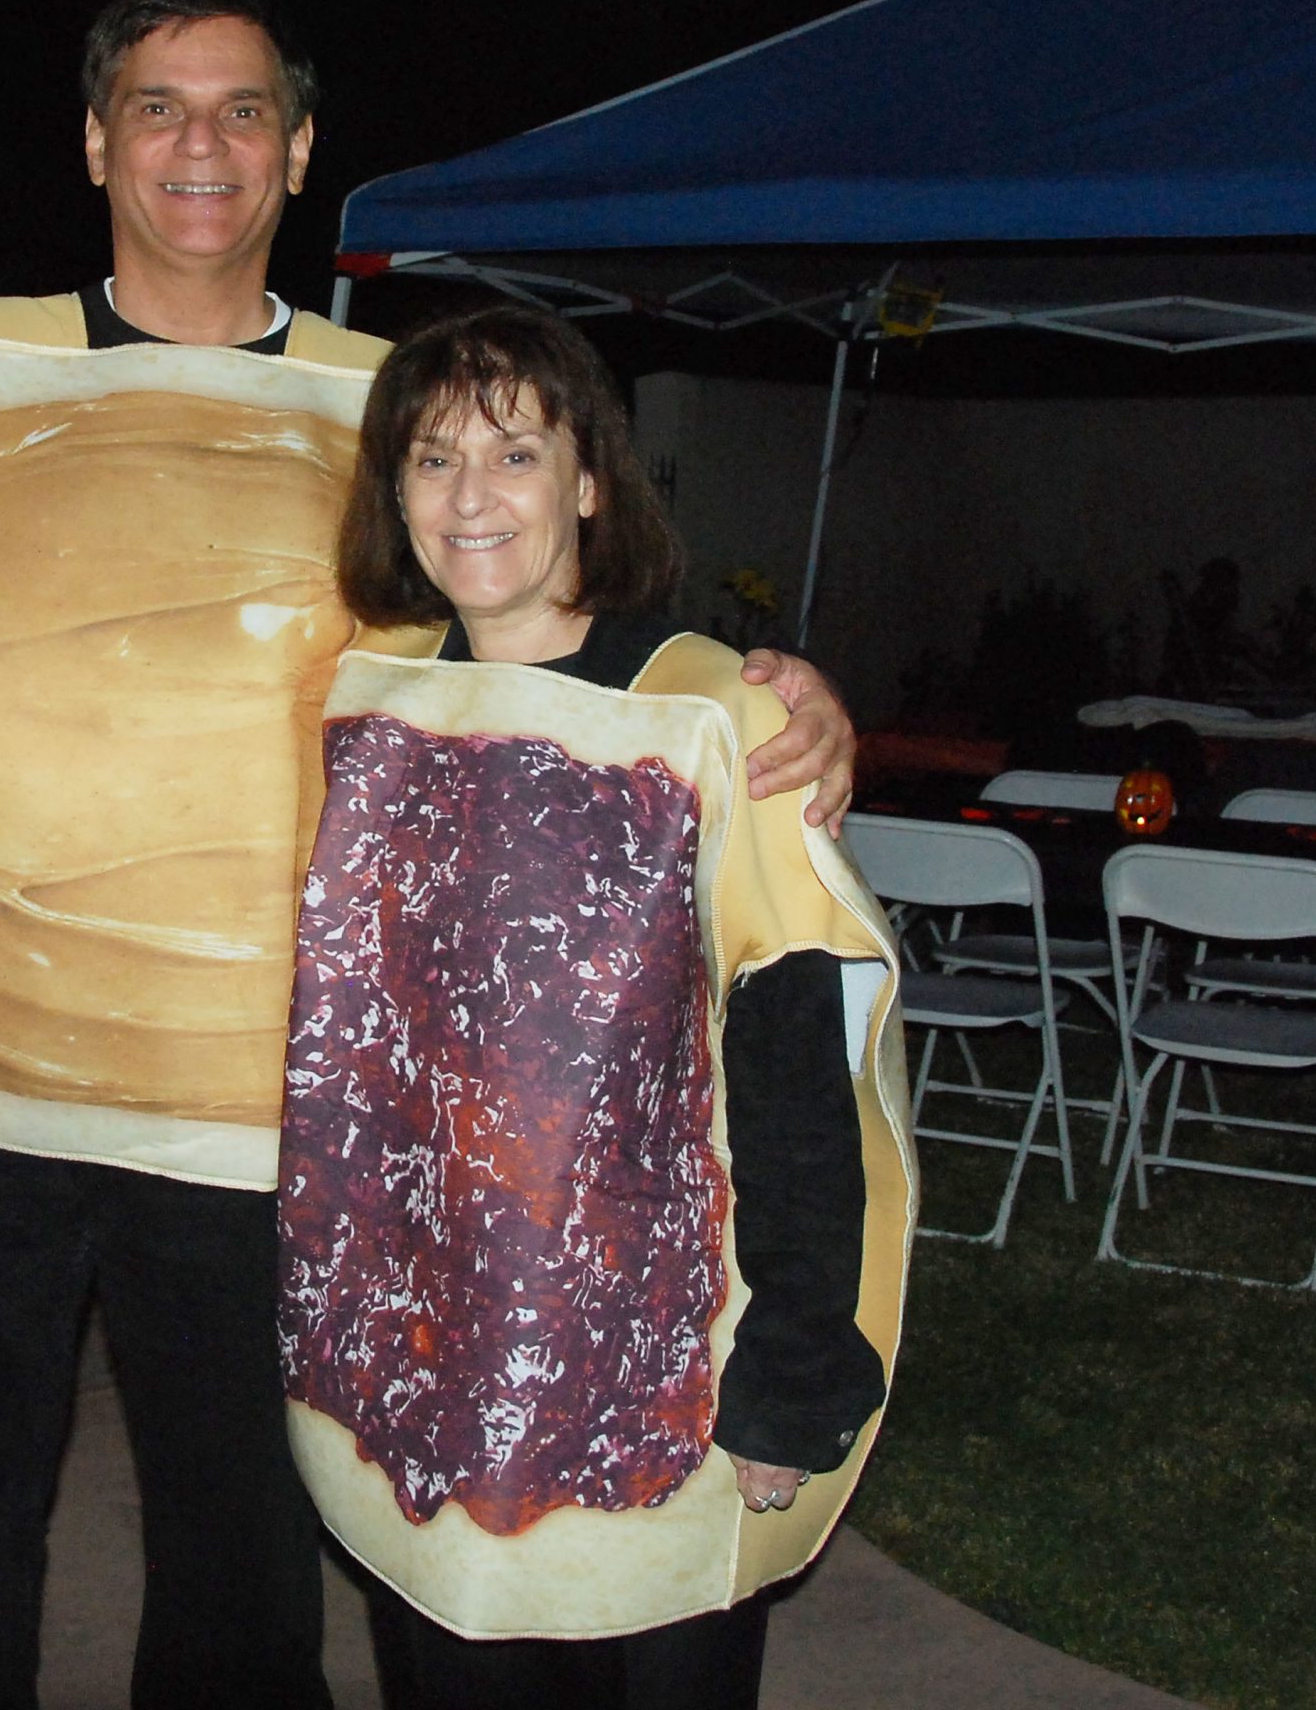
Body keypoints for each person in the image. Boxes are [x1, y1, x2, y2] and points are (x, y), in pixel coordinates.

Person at [0, 0, 859, 1710]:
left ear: (297, 148)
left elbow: (555, 639)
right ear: (93, 140)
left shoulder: (393, 408)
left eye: (238, 112)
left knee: (242, 1572)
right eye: (156, 106)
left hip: (271, 1114)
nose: (197, 146)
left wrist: (784, 703)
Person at [277, 305, 913, 1710]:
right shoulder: (369, 705)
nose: (471, 496)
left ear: (589, 481)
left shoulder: (704, 716)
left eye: (514, 454)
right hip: (419, 1368)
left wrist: (793, 1374)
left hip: (660, 1388)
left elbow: (798, 1067)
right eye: (432, 460)